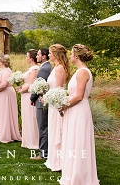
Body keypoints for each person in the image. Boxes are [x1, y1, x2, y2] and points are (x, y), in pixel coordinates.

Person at [59, 44, 99, 185]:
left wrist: (64, 105)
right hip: (74, 109)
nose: (70, 57)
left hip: (79, 110)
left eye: (71, 54)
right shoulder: (80, 71)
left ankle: (79, 176)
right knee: (73, 141)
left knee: (78, 141)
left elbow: (79, 96)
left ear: (76, 56)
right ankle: (72, 172)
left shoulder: (82, 72)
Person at [46, 44, 70, 172]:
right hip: (52, 104)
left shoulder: (60, 68)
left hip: (56, 105)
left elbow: (59, 90)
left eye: (50, 53)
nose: (48, 55)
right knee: (53, 130)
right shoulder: (55, 67)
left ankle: (59, 162)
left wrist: (48, 98)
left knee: (57, 131)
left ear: (55, 54)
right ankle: (53, 159)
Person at [0, 54, 21, 143]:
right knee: (0, 113)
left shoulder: (6, 71)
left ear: (3, 61)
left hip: (5, 94)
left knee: (5, 113)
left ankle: (6, 135)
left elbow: (4, 84)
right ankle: (1, 133)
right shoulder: (0, 70)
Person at [32, 47, 53, 161]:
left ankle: (43, 153)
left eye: (38, 54)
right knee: (44, 127)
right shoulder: (47, 67)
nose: (37, 56)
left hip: (41, 101)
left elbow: (39, 86)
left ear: (44, 56)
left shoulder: (44, 69)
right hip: (44, 100)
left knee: (43, 127)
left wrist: (32, 97)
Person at [19, 49, 41, 152]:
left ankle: (34, 141)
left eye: (27, 56)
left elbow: (31, 84)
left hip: (29, 95)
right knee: (26, 117)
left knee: (31, 117)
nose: (26, 58)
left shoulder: (35, 69)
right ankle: (27, 140)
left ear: (32, 58)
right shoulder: (30, 68)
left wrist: (21, 89)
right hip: (24, 95)